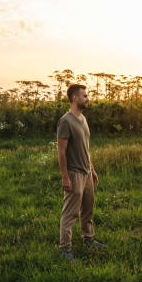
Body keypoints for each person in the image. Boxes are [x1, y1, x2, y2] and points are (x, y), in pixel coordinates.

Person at [56, 84, 103, 261]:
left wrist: (92, 169)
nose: (87, 98)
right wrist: (65, 176)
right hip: (74, 173)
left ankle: (88, 239)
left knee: (88, 209)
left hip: (86, 173)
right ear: (75, 98)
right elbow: (61, 151)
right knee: (70, 213)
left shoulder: (83, 119)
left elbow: (86, 148)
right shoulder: (65, 121)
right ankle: (65, 249)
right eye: (84, 96)